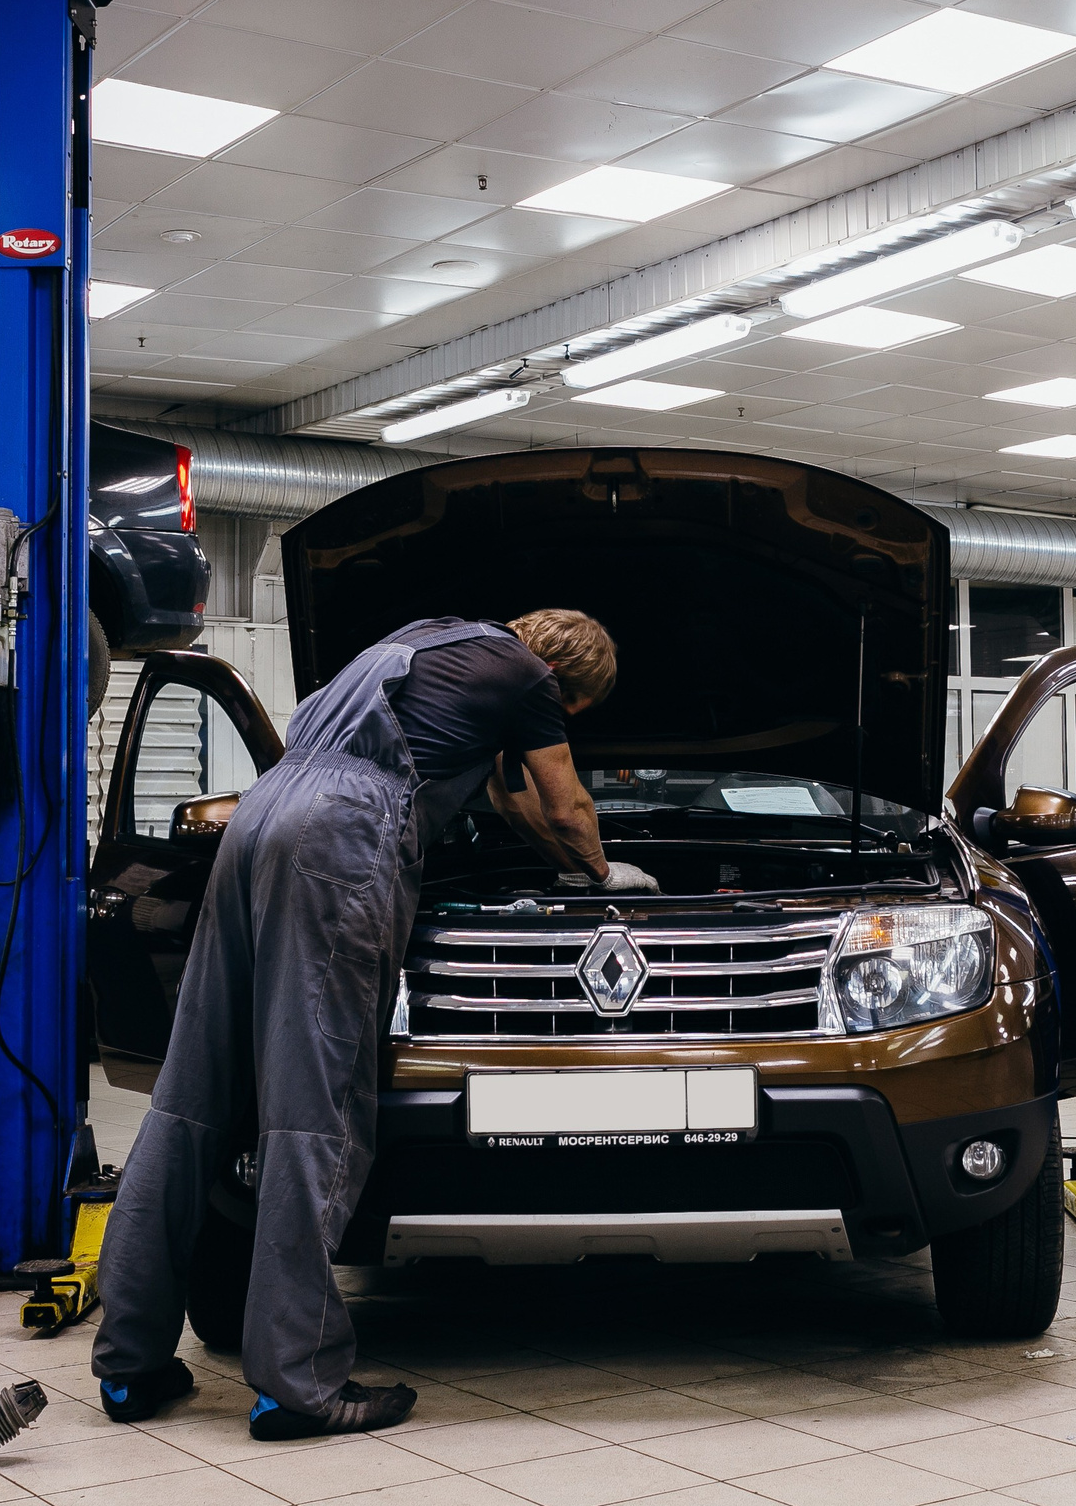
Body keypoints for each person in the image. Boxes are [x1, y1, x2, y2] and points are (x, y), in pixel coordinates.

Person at [90, 609, 657, 1440]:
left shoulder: (425, 642)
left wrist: (557, 860)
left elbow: (507, 799)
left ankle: (130, 1366)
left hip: (259, 817)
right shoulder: (531, 680)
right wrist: (605, 871)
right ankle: (299, 1382)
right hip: (343, 837)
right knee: (313, 1105)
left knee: (191, 1095)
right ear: (570, 692)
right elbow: (564, 803)